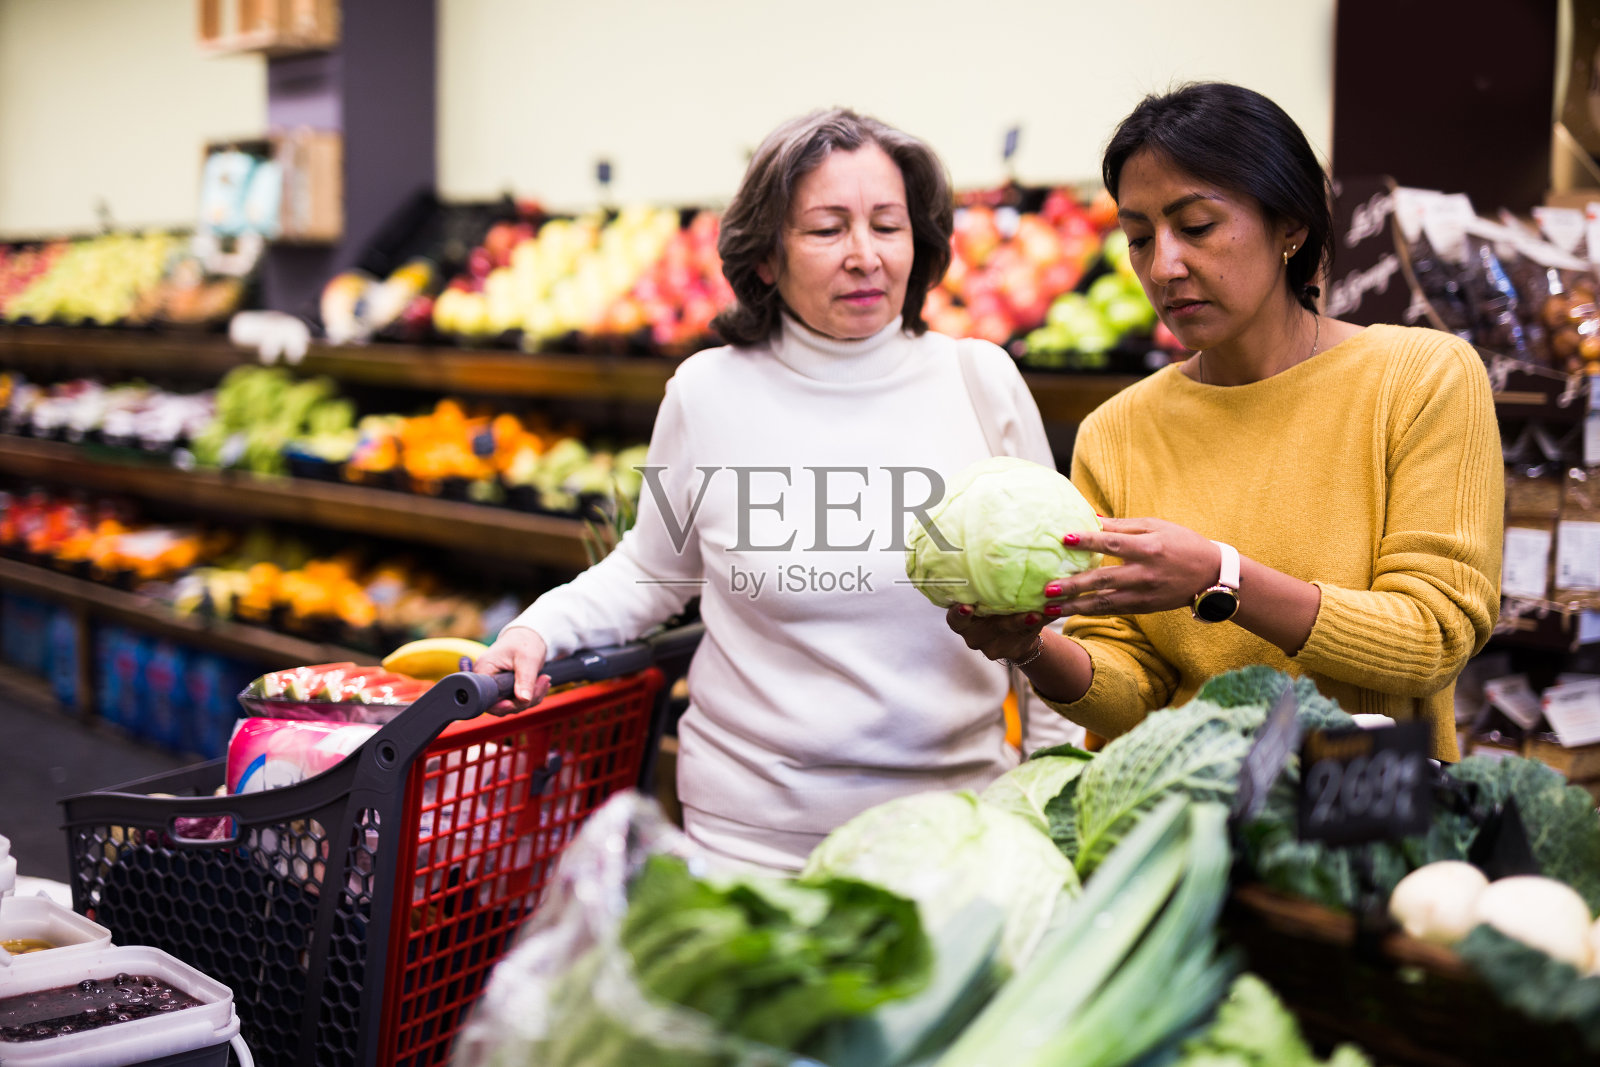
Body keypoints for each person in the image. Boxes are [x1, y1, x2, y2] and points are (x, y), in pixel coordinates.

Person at [473, 107, 1081, 870]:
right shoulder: (706, 392)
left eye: (887, 226)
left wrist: (1053, 791)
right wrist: (536, 630)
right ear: (766, 256)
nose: (865, 255)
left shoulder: (978, 379)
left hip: (951, 831)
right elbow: (647, 570)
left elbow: (1056, 600)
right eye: (828, 229)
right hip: (747, 840)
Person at [945, 82, 1503, 762]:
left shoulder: (1423, 376)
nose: (1164, 265)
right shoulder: (1115, 431)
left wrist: (1222, 575)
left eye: (1197, 227)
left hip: (1368, 825)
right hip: (1189, 819)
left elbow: (1433, 638)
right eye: (1139, 237)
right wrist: (1033, 650)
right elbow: (1132, 689)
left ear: (1291, 225)